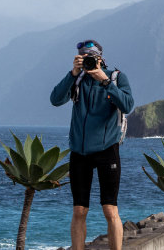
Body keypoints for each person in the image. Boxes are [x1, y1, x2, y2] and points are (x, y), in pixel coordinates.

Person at [50, 39, 134, 250]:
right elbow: (55, 99)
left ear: (100, 57)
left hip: (107, 150)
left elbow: (128, 105)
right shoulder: (77, 80)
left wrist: (105, 81)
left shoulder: (116, 77)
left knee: (110, 209)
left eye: (91, 57)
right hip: (80, 151)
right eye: (83, 57)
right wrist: (72, 73)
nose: (88, 61)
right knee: (79, 210)